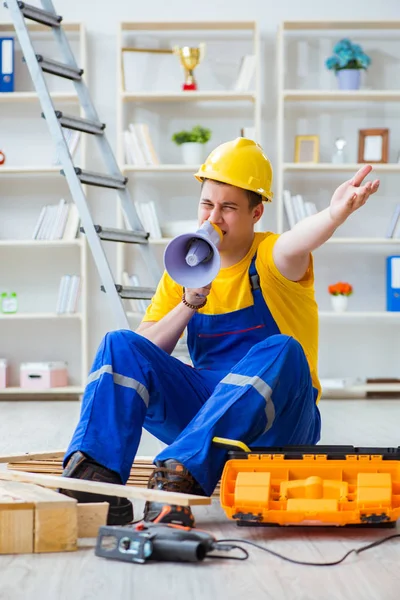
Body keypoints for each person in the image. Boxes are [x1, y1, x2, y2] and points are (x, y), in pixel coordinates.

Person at [60, 137, 379, 527]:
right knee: (119, 344)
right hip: (209, 417)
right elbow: (145, 350)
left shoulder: (273, 256)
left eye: (228, 208)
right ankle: (97, 480)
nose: (214, 219)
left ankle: (184, 475)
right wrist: (189, 302)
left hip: (279, 420)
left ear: (257, 212)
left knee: (283, 349)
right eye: (207, 205)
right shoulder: (183, 268)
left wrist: (333, 214)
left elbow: (300, 240)